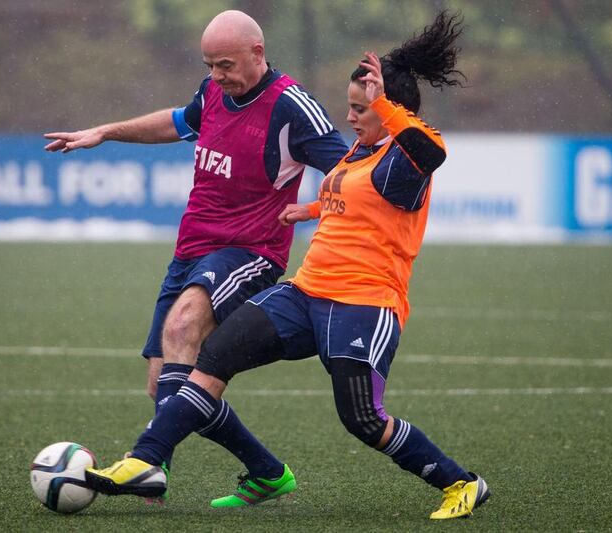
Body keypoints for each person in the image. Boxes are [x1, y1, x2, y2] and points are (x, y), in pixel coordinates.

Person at [85, 11, 489, 521]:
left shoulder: (407, 157)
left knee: (363, 419)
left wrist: (385, 105)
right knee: (213, 356)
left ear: (389, 111)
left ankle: (462, 483)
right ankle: (144, 460)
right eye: (352, 107)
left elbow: (431, 153)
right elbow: (359, 205)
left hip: (364, 303)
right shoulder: (359, 154)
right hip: (306, 293)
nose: (351, 118)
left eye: (362, 110)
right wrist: (314, 208)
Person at [44, 11, 348, 416]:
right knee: (164, 386)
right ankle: (268, 473)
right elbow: (176, 123)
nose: (217, 75)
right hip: (190, 251)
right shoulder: (212, 92)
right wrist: (105, 132)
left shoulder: (292, 107)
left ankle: (149, 464)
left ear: (257, 53)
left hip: (249, 251)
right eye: (210, 66)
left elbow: (352, 174)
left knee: (182, 324)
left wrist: (314, 211)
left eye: (226, 65)